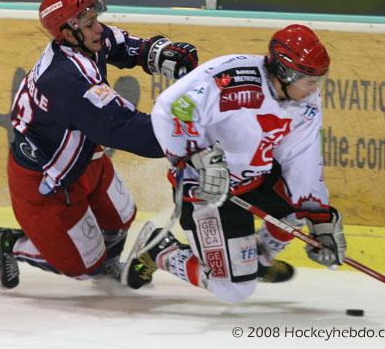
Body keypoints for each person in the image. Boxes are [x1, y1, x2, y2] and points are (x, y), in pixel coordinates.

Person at [0, 0, 198, 290]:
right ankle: (8, 243)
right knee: (83, 266)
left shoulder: (86, 40)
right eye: (89, 23)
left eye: (94, 19)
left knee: (121, 218)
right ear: (68, 33)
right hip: (47, 181)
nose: (98, 28)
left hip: (84, 156)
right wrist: (188, 139)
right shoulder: (67, 80)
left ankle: (101, 259)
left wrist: (158, 53)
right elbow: (127, 128)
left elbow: (122, 45)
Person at [126, 24, 347, 303]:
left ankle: (258, 260)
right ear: (285, 72)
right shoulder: (232, 80)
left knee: (299, 211)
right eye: (309, 80)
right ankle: (161, 250)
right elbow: (171, 109)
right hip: (209, 190)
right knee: (233, 290)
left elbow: (302, 156)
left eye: (318, 80)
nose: (315, 88)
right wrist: (196, 154)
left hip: (255, 179)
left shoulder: (306, 101)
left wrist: (320, 222)